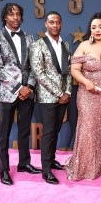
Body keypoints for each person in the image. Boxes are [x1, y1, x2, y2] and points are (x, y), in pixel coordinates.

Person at [0, 3, 42, 185]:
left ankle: (24, 163)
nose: (15, 17)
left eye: (18, 14)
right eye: (11, 14)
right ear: (5, 17)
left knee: (25, 131)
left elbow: (35, 66)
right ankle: (3, 170)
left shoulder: (30, 38)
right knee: (4, 134)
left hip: (28, 93)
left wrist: (30, 87)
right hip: (8, 93)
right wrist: (19, 87)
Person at [65, 12, 101, 180]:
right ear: (90, 29)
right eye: (94, 27)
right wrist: (86, 82)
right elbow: (74, 69)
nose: (97, 30)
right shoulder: (83, 46)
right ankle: (83, 167)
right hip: (87, 95)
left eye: (100, 27)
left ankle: (99, 164)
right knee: (87, 129)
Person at [29, 11, 72, 184]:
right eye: (51, 22)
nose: (55, 25)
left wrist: (68, 92)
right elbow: (39, 74)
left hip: (63, 96)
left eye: (58, 22)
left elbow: (68, 71)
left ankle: (52, 160)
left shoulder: (66, 45)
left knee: (56, 130)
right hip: (48, 97)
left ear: (61, 24)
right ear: (46, 24)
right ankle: (46, 170)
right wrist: (59, 93)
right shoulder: (37, 45)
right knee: (48, 132)